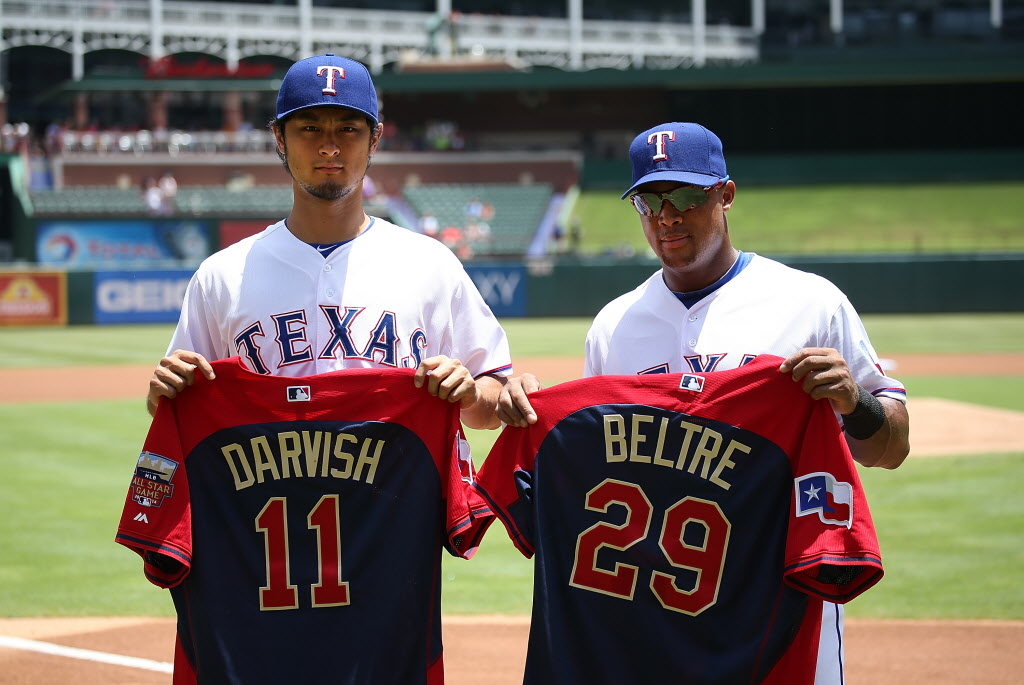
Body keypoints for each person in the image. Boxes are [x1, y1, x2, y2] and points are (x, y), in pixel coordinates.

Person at [135, 52, 513, 683]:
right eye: (310, 128)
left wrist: (468, 388)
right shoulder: (223, 277)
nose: (330, 146)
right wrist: (162, 392)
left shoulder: (428, 265)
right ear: (280, 140)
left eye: (349, 128)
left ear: (375, 140)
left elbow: (494, 401)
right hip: (257, 579)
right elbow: (180, 414)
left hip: (390, 572)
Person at [496, 121, 910, 683]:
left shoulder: (810, 303)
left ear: (726, 195)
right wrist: (535, 409)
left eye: (688, 197)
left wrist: (854, 402)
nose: (667, 216)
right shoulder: (616, 325)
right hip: (654, 622)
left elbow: (891, 447)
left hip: (777, 613)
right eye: (649, 200)